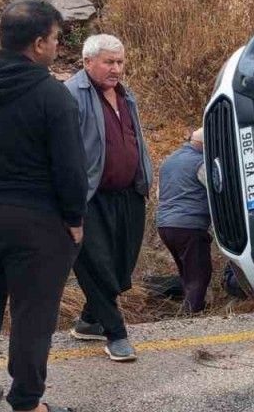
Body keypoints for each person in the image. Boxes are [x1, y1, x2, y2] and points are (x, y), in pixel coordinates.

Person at [0, 0, 87, 412]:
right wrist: (74, 218)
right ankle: (27, 401)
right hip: (37, 219)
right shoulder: (52, 96)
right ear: (38, 43)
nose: (57, 46)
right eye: (55, 38)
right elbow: (70, 168)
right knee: (33, 313)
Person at [63, 34, 152, 363]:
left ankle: (89, 321)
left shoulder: (126, 95)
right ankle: (116, 334)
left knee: (120, 266)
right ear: (88, 62)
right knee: (96, 265)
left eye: (120, 62)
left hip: (128, 195)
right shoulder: (70, 95)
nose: (116, 68)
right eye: (109, 62)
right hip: (90, 198)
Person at [157, 128, 212, 315]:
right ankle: (192, 315)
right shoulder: (200, 163)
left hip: (165, 225)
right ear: (204, 144)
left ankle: (189, 309)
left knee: (187, 272)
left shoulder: (168, 161)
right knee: (199, 273)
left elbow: (159, 194)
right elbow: (216, 189)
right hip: (189, 225)